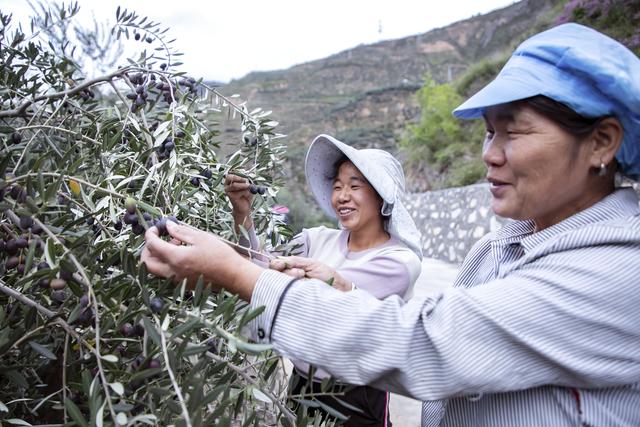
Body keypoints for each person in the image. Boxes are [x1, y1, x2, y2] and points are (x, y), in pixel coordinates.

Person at [141, 23, 640, 426]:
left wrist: (234, 273)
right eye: (489, 132)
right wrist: (241, 235)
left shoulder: (614, 274)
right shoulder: (505, 247)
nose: (489, 154)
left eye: (514, 131)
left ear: (601, 142)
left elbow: (422, 342)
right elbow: (265, 261)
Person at [223, 135, 423, 425]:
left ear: (381, 196)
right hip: (302, 385)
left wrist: (308, 277)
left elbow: (304, 296)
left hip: (356, 397)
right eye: (337, 186)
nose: (342, 196)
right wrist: (242, 212)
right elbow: (259, 267)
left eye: (355, 186)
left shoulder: (399, 262)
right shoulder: (314, 239)